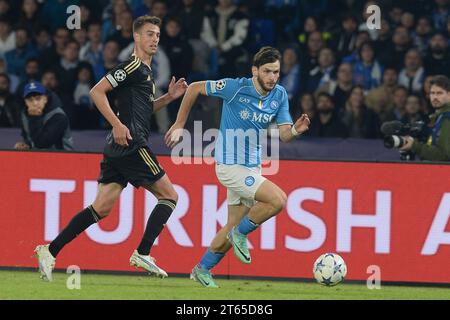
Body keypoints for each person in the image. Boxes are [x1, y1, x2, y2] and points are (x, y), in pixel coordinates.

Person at [34, 15, 188, 282]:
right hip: (131, 143)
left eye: (157, 35)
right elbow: (96, 91)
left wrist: (168, 97)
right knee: (170, 196)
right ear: (136, 37)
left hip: (117, 147)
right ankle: (142, 252)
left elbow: (142, 110)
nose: (155, 39)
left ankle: (50, 249)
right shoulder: (131, 66)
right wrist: (116, 124)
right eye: (149, 34)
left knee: (101, 208)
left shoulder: (147, 73)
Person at [165, 47, 310, 288]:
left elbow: (284, 135)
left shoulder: (280, 95)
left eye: (276, 72)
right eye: (267, 72)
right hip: (229, 166)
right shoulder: (235, 87)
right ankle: (240, 234)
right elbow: (194, 88)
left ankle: (202, 269)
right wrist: (180, 123)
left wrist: (295, 130)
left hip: (253, 168)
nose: (272, 77)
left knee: (233, 225)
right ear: (255, 71)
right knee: (278, 200)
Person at [400, 75, 450, 161]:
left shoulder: (447, 118)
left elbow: (444, 156)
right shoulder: (437, 116)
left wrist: (414, 146)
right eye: (432, 93)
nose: (435, 97)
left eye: (439, 93)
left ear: (449, 95)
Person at [14, 81, 73, 151]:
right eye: (30, 100)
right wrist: (26, 144)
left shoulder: (58, 116)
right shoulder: (25, 114)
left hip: (63, 158)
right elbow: (29, 137)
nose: (35, 103)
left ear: (45, 99)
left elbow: (42, 144)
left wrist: (34, 118)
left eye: (38, 98)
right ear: (25, 102)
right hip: (37, 157)